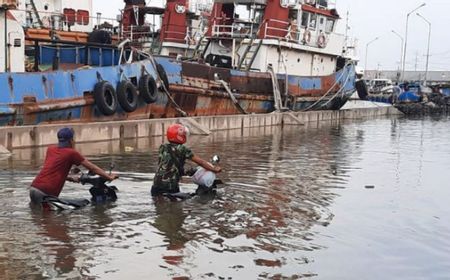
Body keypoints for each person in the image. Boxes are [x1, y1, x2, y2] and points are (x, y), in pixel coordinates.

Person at [30, 127, 118, 204]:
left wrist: (70, 178)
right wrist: (109, 177)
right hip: (46, 192)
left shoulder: (50, 149)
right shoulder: (72, 152)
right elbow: (92, 168)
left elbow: (51, 171)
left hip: (34, 188)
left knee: (38, 217)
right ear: (71, 140)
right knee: (51, 221)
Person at [151, 123, 221, 196]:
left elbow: (168, 166)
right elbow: (201, 162)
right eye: (183, 134)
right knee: (179, 204)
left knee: (158, 204)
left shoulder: (162, 147)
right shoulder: (183, 149)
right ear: (179, 136)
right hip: (170, 186)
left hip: (156, 185)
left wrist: (187, 172)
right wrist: (214, 169)